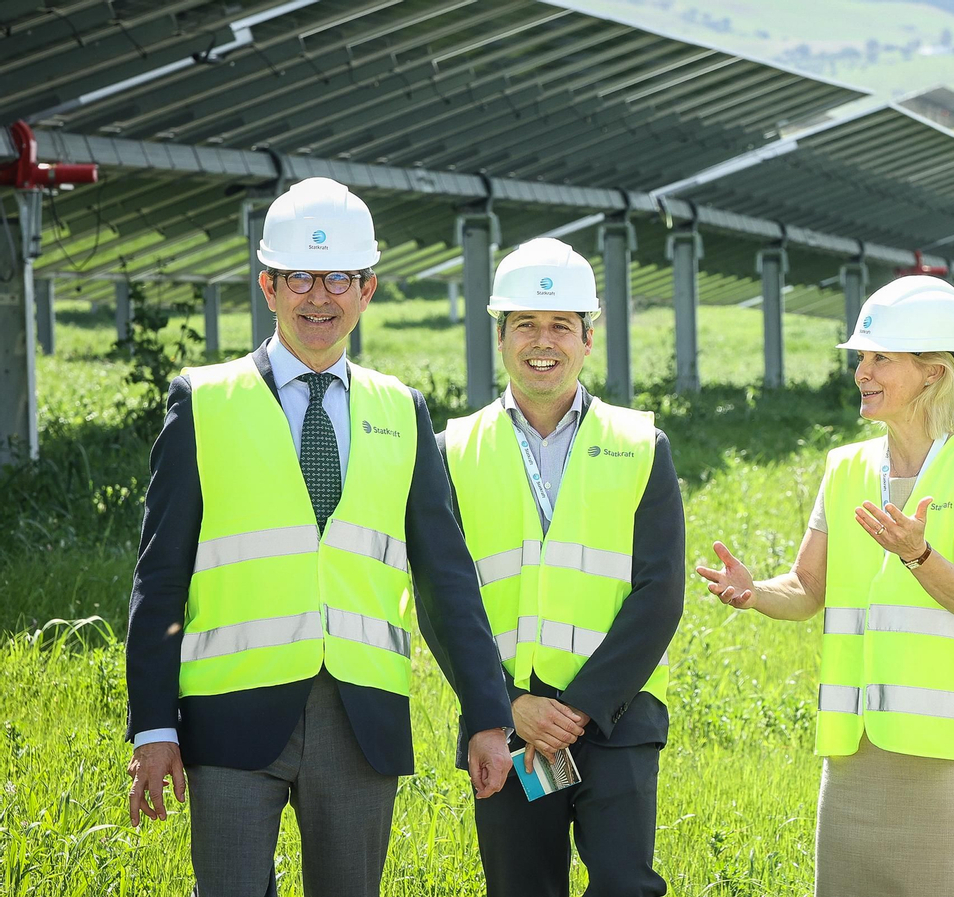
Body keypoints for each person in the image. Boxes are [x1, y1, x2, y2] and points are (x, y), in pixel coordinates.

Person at [123, 176, 513, 897]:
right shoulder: (203, 401)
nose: (319, 297)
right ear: (268, 286)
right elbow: (160, 576)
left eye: (339, 278)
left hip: (360, 719)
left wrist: (488, 713)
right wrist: (153, 726)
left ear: (367, 290)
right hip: (229, 716)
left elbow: (447, 578)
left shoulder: (403, 411)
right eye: (299, 277)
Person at [696, 275, 954, 897]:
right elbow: (807, 585)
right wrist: (756, 592)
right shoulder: (844, 468)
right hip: (859, 756)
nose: (861, 372)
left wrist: (917, 553)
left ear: (932, 373)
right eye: (862, 357)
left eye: (881, 358)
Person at [437, 238, 684, 897]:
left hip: (616, 716)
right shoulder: (453, 450)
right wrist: (507, 704)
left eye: (561, 325)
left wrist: (578, 708)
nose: (542, 341)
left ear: (587, 338)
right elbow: (442, 600)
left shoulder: (642, 445)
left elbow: (660, 592)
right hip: (507, 723)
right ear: (500, 336)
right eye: (525, 324)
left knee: (626, 886)